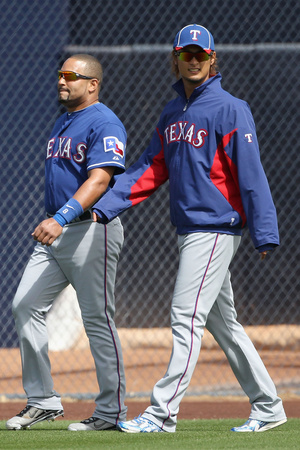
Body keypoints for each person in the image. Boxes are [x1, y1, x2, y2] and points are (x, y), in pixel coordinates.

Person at [92, 24, 287, 433]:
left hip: (215, 229)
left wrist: (264, 229)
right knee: (224, 324)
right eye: (186, 53)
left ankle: (162, 413)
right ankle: (269, 406)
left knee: (185, 316)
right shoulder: (172, 111)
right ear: (175, 58)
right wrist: (105, 204)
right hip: (191, 230)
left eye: (201, 53)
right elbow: (151, 167)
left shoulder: (232, 108)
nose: (194, 59)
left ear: (213, 58)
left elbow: (251, 175)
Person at [6, 54, 127, 431]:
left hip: (90, 229)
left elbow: (100, 180)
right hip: (58, 234)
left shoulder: (105, 121)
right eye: (60, 74)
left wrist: (60, 218)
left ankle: (111, 412)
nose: (63, 80)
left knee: (96, 320)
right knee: (25, 304)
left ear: (92, 84)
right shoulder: (63, 121)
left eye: (72, 76)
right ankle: (42, 399)